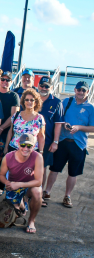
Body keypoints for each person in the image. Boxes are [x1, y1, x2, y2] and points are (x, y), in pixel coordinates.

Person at [44, 81, 94, 209]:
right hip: (62, 141)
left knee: (73, 173)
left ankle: (67, 196)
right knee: (54, 169)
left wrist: (79, 127)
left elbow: (92, 127)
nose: (80, 92)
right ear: (75, 90)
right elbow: (59, 119)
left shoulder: (90, 108)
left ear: (87, 92)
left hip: (78, 145)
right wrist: (65, 124)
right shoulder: (66, 102)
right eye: (78, 89)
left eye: (83, 90)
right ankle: (47, 192)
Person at [0, 134, 44, 234]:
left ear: (33, 147)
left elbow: (39, 181)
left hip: (28, 185)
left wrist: (19, 184)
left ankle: (31, 221)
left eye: (29, 146)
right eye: (23, 145)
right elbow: (1, 175)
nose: (25, 148)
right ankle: (22, 203)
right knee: (12, 216)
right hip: (13, 186)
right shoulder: (8, 156)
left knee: (37, 192)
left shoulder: (38, 157)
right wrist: (7, 183)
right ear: (18, 144)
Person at [34, 77, 63, 195]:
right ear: (38, 85)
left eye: (47, 86)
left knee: (42, 168)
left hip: (46, 141)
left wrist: (55, 142)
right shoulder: (32, 99)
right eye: (42, 85)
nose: (44, 88)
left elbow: (58, 124)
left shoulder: (57, 102)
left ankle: (39, 194)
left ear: (51, 87)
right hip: (28, 140)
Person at [0, 71, 20, 169]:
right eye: (3, 79)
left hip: (5, 132)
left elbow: (14, 115)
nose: (4, 81)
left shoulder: (14, 96)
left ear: (11, 81)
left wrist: (1, 128)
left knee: (0, 155)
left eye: (7, 80)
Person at [5, 89, 45, 154]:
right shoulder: (16, 115)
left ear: (36, 102)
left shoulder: (40, 118)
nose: (29, 101)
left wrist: (41, 152)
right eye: (27, 99)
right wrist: (6, 147)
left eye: (32, 100)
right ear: (24, 102)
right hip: (14, 149)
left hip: (31, 151)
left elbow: (41, 136)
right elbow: (10, 132)